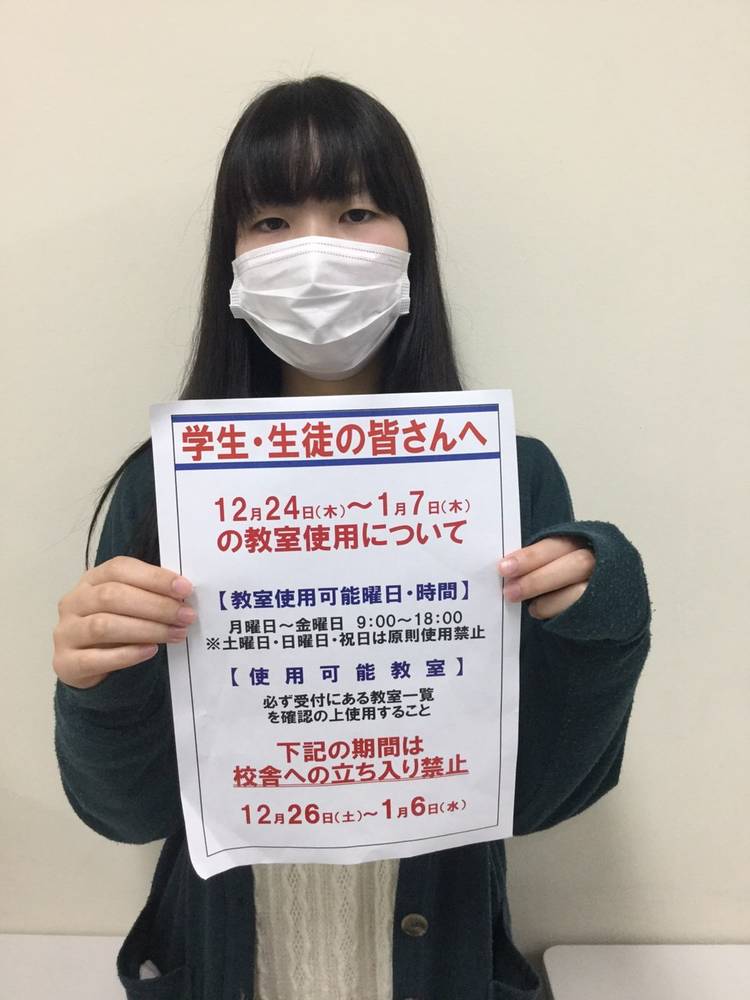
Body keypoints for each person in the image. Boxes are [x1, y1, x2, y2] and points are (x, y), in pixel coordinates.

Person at [52, 75, 651, 1000]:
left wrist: (602, 617)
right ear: (230, 263)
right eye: (270, 221)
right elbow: (125, 812)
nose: (314, 252)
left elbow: (539, 797)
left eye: (357, 211)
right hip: (229, 969)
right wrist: (95, 684)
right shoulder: (165, 486)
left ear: (414, 244)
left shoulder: (505, 479)